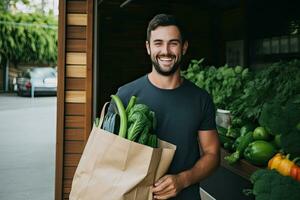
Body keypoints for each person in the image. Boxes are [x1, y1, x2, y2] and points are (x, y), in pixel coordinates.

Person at [109, 13, 220, 200]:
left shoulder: (200, 99)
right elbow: (109, 156)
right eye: (158, 43)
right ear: (148, 47)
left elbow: (212, 154)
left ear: (184, 47)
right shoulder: (125, 97)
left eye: (173, 43)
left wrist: (183, 180)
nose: (166, 51)